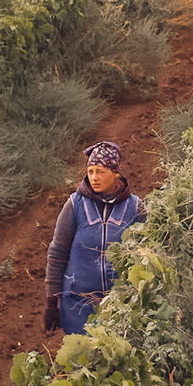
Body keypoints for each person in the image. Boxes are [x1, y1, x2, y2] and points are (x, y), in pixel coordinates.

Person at [45, 141, 145, 337]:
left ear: (116, 173)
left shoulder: (135, 208)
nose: (94, 178)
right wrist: (51, 301)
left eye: (100, 171)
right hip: (78, 306)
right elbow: (57, 252)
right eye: (90, 171)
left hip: (120, 307)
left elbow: (147, 252)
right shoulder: (75, 205)